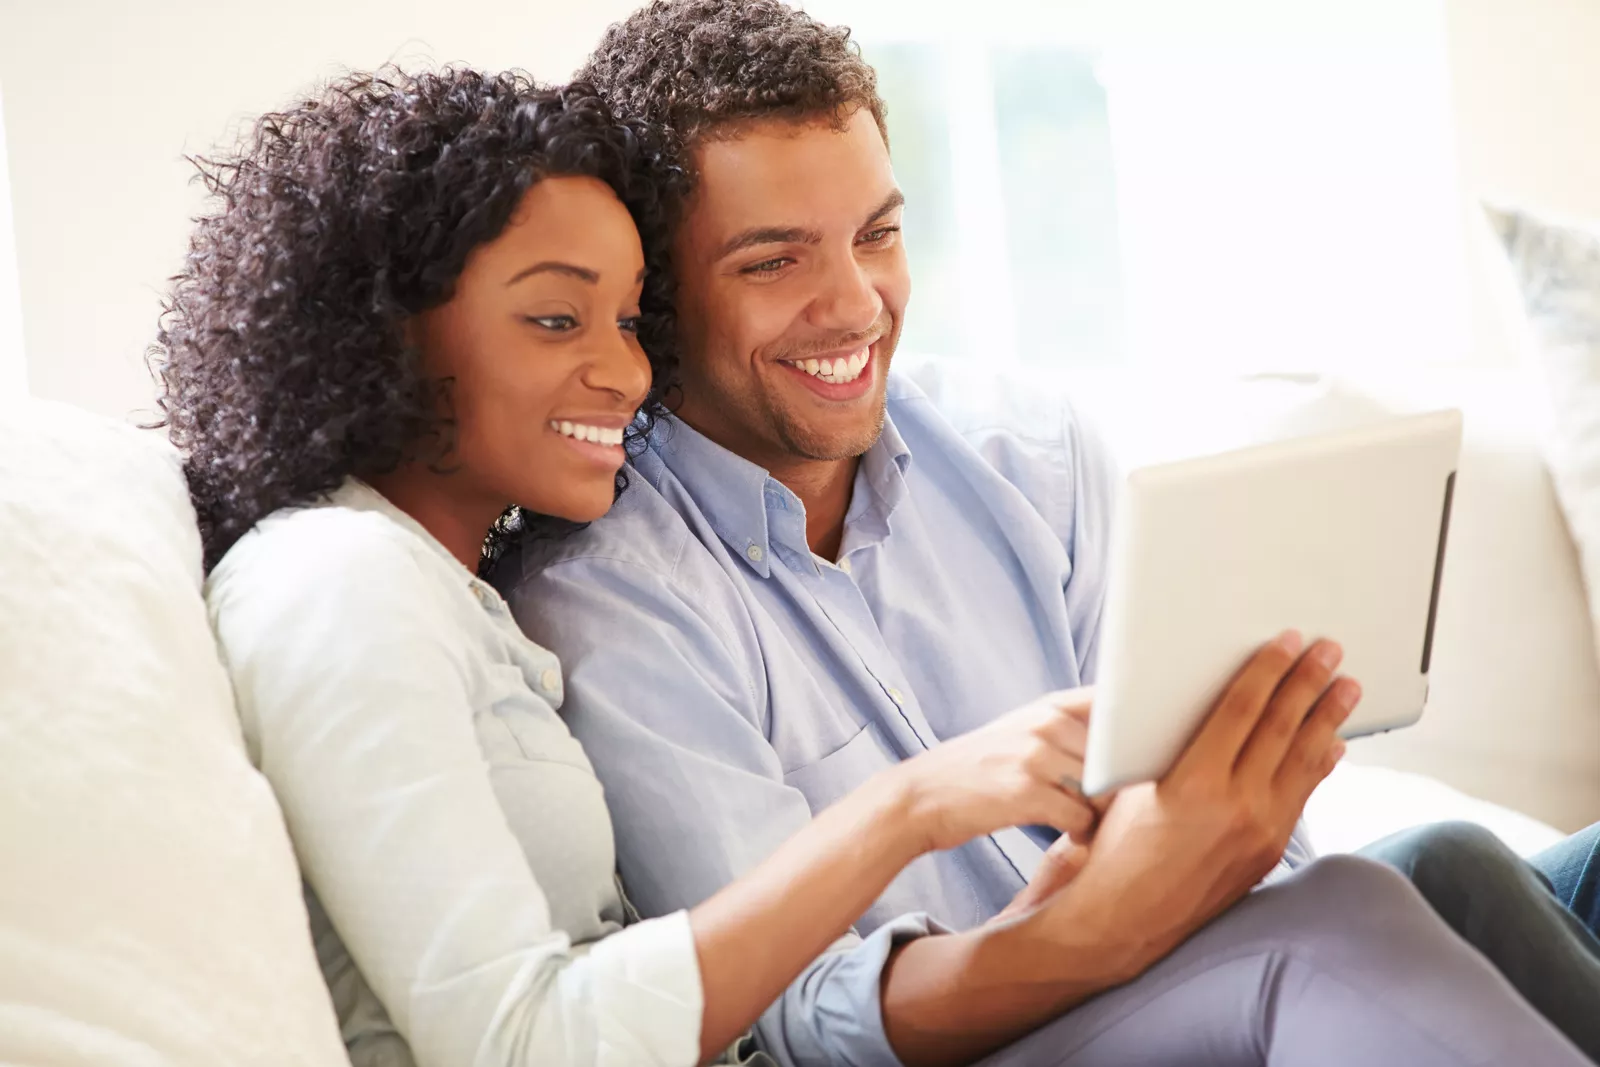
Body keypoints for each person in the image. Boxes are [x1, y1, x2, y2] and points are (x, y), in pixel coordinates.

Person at [495, 2, 1600, 1064]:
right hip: (995, 1033)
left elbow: (1215, 845)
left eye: (878, 235)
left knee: (1466, 863)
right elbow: (801, 1019)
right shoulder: (608, 598)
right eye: (773, 261)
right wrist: (1088, 927)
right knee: (1368, 904)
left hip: (1203, 963)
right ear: (654, 298)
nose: (857, 303)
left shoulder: (1026, 451)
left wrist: (1237, 806)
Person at [151, 67, 1197, 1067]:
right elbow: (519, 1042)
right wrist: (909, 809)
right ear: (381, 330)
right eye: (556, 319)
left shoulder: (448, 593)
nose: (625, 372)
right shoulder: (341, 582)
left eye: (628, 320)